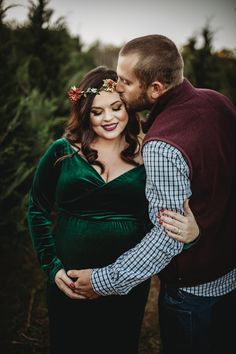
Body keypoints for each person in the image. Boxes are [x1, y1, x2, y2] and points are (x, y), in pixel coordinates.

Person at [68, 36, 236, 354]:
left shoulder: (162, 146)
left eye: (125, 81)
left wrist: (103, 280)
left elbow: (166, 239)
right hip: (231, 275)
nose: (116, 86)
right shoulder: (218, 101)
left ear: (156, 89)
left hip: (191, 294)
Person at [27, 66, 199, 354]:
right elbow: (37, 209)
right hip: (69, 279)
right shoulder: (62, 151)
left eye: (116, 107)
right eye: (97, 112)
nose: (108, 118)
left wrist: (191, 234)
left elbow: (170, 218)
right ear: (84, 113)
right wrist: (51, 267)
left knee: (118, 343)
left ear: (128, 106)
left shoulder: (151, 153)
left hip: (125, 283)